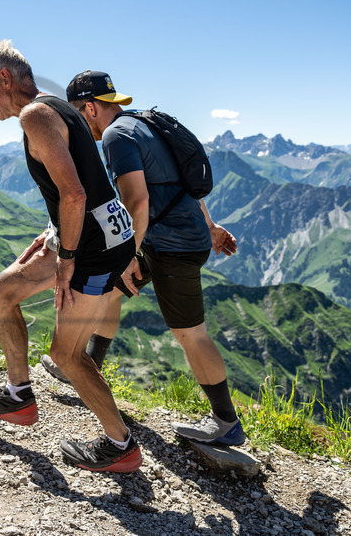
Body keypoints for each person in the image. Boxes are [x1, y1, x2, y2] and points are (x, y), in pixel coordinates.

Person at [0, 40, 140, 474]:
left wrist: (67, 259)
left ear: (6, 79)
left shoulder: (34, 116)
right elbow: (83, 184)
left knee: (67, 354)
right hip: (89, 235)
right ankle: (18, 396)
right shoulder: (56, 106)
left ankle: (121, 446)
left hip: (94, 249)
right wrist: (53, 235)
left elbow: (75, 194)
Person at [50, 70, 243, 446]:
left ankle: (226, 423)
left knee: (190, 333)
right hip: (166, 237)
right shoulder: (142, 122)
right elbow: (181, 182)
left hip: (173, 246)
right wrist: (210, 225)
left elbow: (136, 202)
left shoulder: (116, 136)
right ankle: (85, 366)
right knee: (109, 292)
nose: (77, 125)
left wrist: (126, 256)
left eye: (76, 115)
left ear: (90, 108)